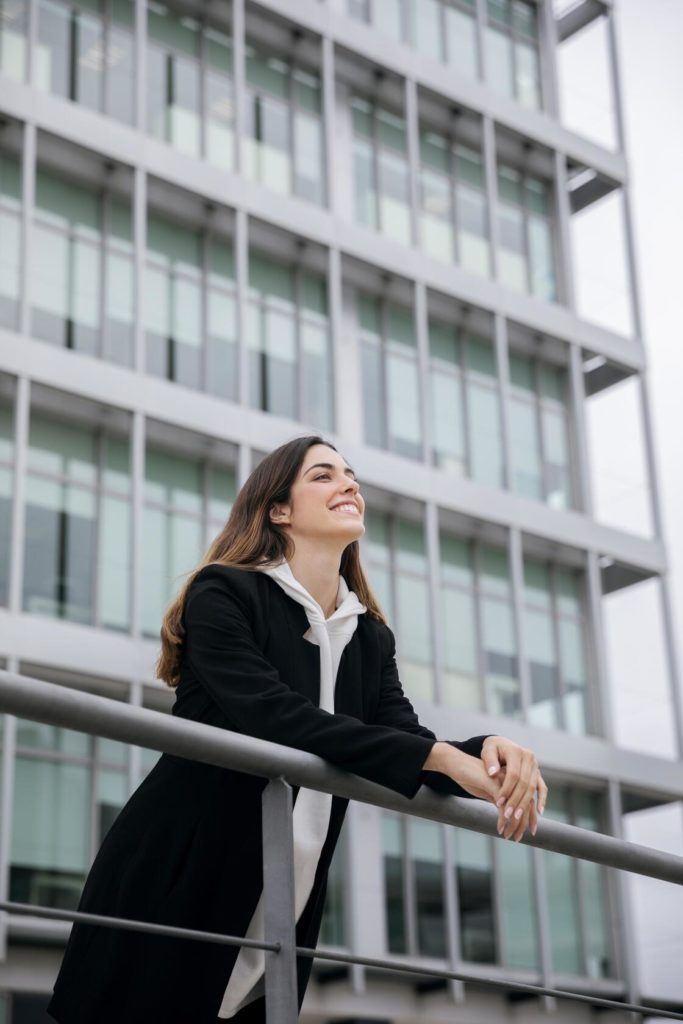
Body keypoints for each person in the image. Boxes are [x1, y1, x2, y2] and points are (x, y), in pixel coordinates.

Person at [46, 434, 547, 1023]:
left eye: (351, 475)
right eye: (323, 475)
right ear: (278, 509)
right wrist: (438, 757)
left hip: (286, 897)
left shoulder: (368, 635)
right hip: (178, 877)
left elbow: (404, 740)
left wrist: (487, 752)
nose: (348, 484)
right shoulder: (223, 593)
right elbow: (277, 718)